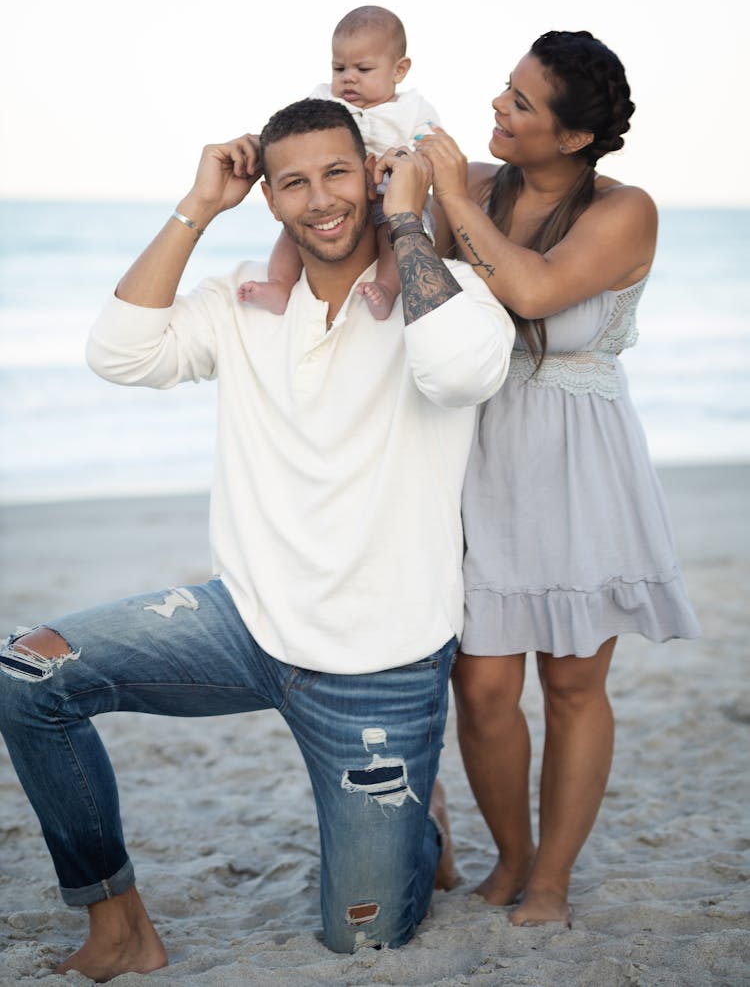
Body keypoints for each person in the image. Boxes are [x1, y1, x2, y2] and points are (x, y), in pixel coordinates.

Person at [0, 97, 515, 981]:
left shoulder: (445, 297)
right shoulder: (242, 301)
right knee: (27, 673)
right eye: (295, 182)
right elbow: (117, 353)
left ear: (374, 172)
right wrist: (198, 207)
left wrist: (406, 220)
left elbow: (462, 369)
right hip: (240, 623)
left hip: (379, 672)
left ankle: (417, 824)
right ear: (270, 198)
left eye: (338, 173)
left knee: (361, 940)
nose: (321, 199)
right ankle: (118, 922)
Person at [416, 31, 701, 927]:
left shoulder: (626, 210)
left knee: (573, 683)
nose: (498, 107)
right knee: (483, 682)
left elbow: (533, 292)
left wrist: (452, 198)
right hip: (480, 449)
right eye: (505, 90)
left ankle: (553, 878)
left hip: (580, 462)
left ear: (574, 137)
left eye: (522, 103)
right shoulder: (480, 186)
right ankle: (513, 853)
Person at [238, 5, 440, 320]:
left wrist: (416, 164)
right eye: (339, 69)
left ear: (398, 70)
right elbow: (293, 136)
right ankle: (279, 285)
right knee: (292, 232)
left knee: (394, 237)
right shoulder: (324, 102)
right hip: (344, 198)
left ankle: (386, 288)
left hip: (392, 199)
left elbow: (430, 149)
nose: (348, 79)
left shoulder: (413, 111)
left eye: (363, 69)